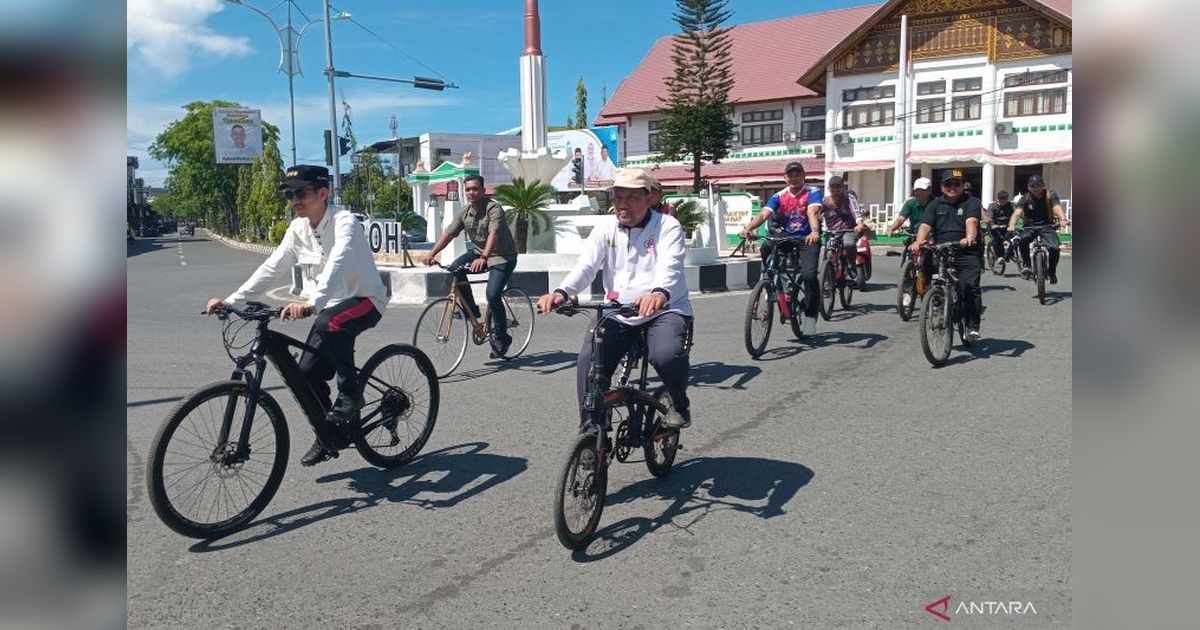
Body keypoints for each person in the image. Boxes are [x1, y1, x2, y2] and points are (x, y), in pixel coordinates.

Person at [204, 165, 388, 466]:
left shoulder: (345, 223)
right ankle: (329, 432)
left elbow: (337, 263)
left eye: (301, 193)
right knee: (304, 375)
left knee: (330, 323)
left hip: (364, 299)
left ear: (323, 193)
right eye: (290, 194)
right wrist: (233, 300)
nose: (294, 200)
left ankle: (351, 394)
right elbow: (273, 267)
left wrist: (313, 302)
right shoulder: (298, 229)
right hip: (328, 304)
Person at [536, 168, 693, 429]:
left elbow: (671, 265)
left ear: (650, 198)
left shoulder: (667, 226)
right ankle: (592, 431)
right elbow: (586, 266)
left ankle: (680, 404)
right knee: (589, 362)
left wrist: (659, 293)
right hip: (619, 310)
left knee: (666, 355)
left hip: (664, 309)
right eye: (618, 198)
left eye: (631, 198)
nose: (623, 205)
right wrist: (561, 292)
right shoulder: (605, 228)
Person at [426, 174, 519, 357]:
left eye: (475, 189)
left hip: (502, 256)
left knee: (492, 294)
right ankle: (472, 314)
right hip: (478, 253)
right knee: (454, 269)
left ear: (483, 190)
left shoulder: (494, 209)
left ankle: (502, 337)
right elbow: (449, 234)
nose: (471, 192)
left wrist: (484, 257)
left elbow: (494, 234)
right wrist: (432, 253)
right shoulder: (465, 212)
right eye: (468, 189)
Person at [738, 161, 823, 335]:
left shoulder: (812, 192)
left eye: (797, 174)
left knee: (809, 275)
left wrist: (814, 231)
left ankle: (810, 316)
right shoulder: (779, 195)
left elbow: (812, 212)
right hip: (786, 237)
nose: (794, 178)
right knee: (766, 247)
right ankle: (771, 284)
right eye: (790, 175)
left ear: (803, 176)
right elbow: (764, 214)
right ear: (785, 178)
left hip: (807, 238)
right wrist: (748, 228)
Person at [910, 168, 984, 341]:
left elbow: (971, 221)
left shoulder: (971, 202)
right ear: (942, 187)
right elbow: (925, 225)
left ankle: (972, 325)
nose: (952, 187)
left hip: (966, 250)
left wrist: (970, 237)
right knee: (925, 266)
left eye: (956, 184)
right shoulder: (935, 204)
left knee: (969, 287)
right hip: (941, 249)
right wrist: (919, 241)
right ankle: (933, 299)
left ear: (962, 186)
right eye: (948, 184)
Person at [1007, 174, 1067, 284]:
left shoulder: (1050, 195)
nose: (1035, 188)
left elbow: (1056, 208)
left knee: (1054, 248)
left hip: (1047, 226)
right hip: (1030, 227)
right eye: (1032, 186)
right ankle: (1027, 266)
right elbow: (1017, 213)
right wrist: (1011, 225)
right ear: (1028, 187)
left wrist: (1062, 219)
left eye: (1038, 185)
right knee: (1021, 240)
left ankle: (1052, 272)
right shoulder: (1025, 198)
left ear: (1043, 186)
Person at [819, 175, 868, 280]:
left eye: (838, 187)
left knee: (849, 244)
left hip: (848, 230)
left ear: (842, 188)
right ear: (828, 188)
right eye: (832, 187)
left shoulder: (849, 198)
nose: (835, 189)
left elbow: (856, 212)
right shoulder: (824, 201)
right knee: (828, 252)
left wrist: (859, 224)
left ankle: (851, 265)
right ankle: (827, 280)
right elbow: (817, 214)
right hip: (832, 232)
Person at [887, 177, 934, 245]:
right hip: (914, 235)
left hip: (933, 236)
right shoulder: (911, 203)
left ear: (929, 190)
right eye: (917, 190)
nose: (919, 193)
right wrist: (892, 229)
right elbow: (901, 218)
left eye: (922, 190)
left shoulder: (937, 202)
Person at [984, 190, 1015, 264]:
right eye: (1002, 198)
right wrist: (993, 225)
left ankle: (1010, 255)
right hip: (995, 227)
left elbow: (1017, 214)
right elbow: (989, 217)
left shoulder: (1011, 205)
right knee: (997, 240)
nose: (1004, 200)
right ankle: (999, 256)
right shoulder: (992, 206)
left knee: (1015, 239)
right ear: (998, 199)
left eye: (1005, 198)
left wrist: (1016, 225)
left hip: (1007, 226)